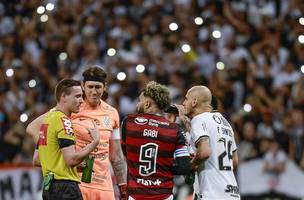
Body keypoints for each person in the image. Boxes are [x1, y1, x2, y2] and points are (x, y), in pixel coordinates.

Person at [121, 81, 191, 200]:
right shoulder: (174, 129)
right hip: (163, 194)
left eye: (140, 100)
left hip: (136, 195)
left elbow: (127, 154)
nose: (138, 104)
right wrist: (163, 167)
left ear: (147, 104)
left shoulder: (128, 122)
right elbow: (184, 167)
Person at [33, 79, 100, 200]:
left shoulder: (46, 121)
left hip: (49, 188)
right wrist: (94, 143)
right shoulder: (64, 121)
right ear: (63, 96)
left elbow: (37, 160)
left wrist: (63, 166)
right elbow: (71, 159)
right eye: (77, 96)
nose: (81, 101)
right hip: (66, 189)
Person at [71, 66, 127, 200]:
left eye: (98, 87)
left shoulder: (112, 113)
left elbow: (116, 155)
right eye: (90, 87)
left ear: (105, 87)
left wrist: (123, 185)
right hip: (78, 183)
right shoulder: (72, 109)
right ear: (83, 86)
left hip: (104, 186)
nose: (94, 91)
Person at [176, 85, 240, 200]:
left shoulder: (199, 119)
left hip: (212, 192)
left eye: (186, 98)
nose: (184, 102)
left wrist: (190, 166)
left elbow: (205, 152)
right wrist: (187, 123)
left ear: (194, 101)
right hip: (232, 192)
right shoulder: (225, 123)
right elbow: (234, 161)